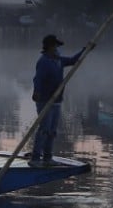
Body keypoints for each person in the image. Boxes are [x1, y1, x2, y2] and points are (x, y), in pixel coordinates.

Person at [30, 33, 81, 167]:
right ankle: (35, 158)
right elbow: (38, 79)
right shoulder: (44, 61)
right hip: (45, 100)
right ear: (50, 47)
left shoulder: (59, 60)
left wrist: (84, 50)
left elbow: (73, 60)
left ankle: (47, 157)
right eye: (56, 46)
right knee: (44, 129)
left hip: (57, 100)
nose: (57, 48)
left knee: (52, 130)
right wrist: (36, 91)